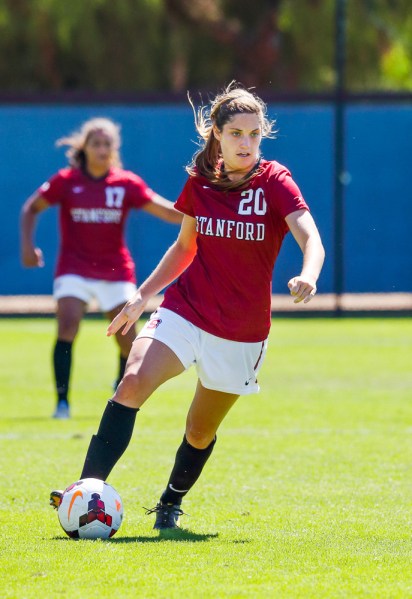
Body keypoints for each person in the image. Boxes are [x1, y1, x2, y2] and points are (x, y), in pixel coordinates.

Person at [50, 83, 325, 529]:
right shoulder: (201, 181)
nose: (246, 143)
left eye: (255, 135)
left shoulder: (275, 181)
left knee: (199, 430)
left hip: (240, 329)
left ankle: (169, 502)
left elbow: (310, 237)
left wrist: (308, 274)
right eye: (236, 133)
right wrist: (142, 294)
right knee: (132, 383)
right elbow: (184, 248)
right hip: (186, 309)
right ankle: (85, 493)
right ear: (216, 134)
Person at [20, 117, 182, 419]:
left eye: (107, 143)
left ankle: (120, 392)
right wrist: (27, 246)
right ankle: (62, 402)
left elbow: (167, 210)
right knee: (67, 323)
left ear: (114, 148)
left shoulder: (125, 183)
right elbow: (31, 207)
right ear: (86, 148)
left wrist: (202, 209)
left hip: (114, 270)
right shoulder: (66, 181)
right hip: (74, 268)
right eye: (96, 143)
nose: (102, 149)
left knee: (127, 338)